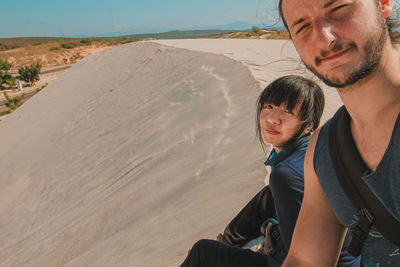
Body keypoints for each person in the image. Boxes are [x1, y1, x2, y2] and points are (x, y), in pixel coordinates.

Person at [179, 75, 359, 267]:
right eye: (269, 107)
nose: (272, 119)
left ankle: (226, 246)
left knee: (203, 252)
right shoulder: (314, 152)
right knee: (268, 197)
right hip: (356, 255)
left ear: (308, 125)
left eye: (288, 112)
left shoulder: (286, 173)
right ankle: (229, 242)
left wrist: (272, 252)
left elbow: (300, 259)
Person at [276, 0, 400, 266]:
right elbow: (304, 259)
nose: (324, 38)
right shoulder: (325, 148)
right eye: (302, 27)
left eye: (338, 9)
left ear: (383, 4)